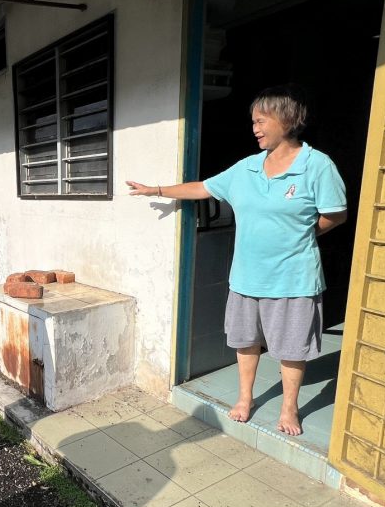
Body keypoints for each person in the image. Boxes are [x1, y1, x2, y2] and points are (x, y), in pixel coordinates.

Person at [127, 85, 347, 436]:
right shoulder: (247, 168)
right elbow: (203, 187)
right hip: (246, 275)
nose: (255, 128)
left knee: (291, 348)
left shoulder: (317, 166)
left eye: (261, 121)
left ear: (286, 119)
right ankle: (245, 398)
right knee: (245, 341)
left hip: (294, 277)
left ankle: (289, 409)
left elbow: (335, 214)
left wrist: (303, 234)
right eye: (253, 122)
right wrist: (155, 190)